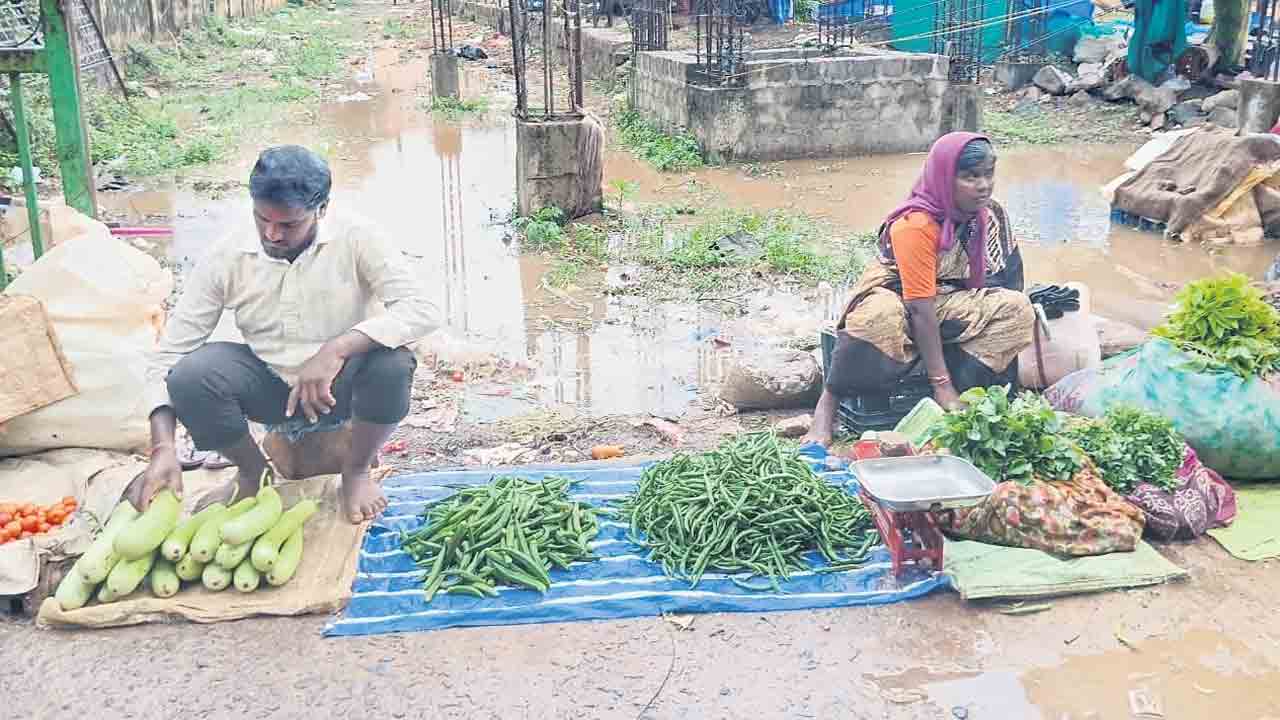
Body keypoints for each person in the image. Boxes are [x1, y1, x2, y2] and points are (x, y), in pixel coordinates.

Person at [127, 145, 438, 523]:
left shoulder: (358, 238)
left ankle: (355, 471)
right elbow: (167, 357)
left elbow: (423, 310)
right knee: (192, 375)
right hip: (272, 391)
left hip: (339, 389)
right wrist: (163, 446)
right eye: (262, 220)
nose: (272, 234)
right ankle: (252, 472)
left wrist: (337, 349)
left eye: (289, 225)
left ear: (321, 210)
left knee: (393, 362)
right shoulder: (228, 256)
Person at [804, 132, 1035, 447]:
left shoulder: (988, 216)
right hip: (900, 297)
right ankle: (827, 404)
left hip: (949, 299)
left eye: (988, 174)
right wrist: (941, 384)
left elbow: (1008, 277)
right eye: (970, 177)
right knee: (877, 317)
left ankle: (964, 399)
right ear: (944, 178)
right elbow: (919, 308)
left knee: (1018, 308)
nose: (983, 185)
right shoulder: (916, 224)